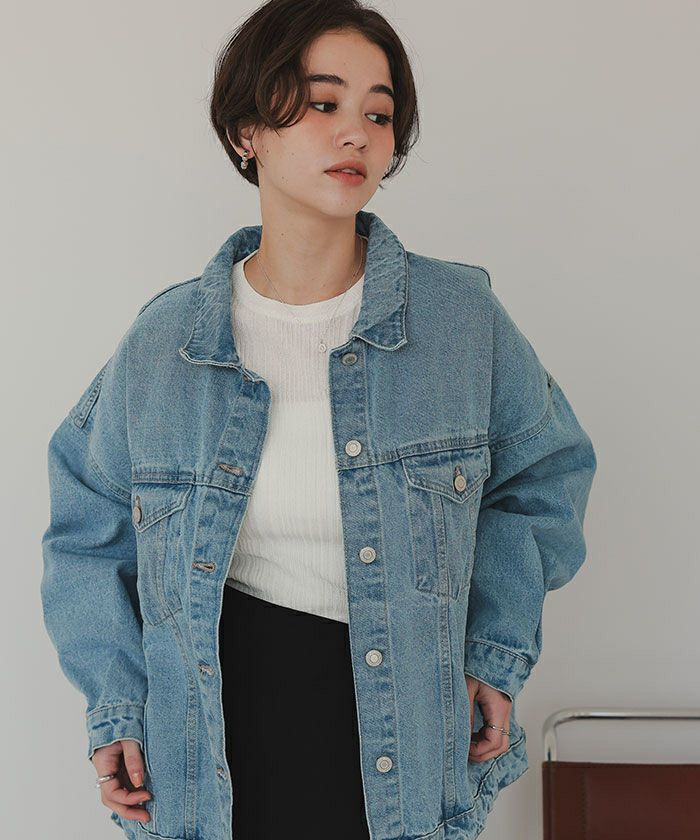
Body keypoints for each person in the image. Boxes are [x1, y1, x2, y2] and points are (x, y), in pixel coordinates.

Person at [40, 1, 597, 838]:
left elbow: (544, 479)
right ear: (247, 132)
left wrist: (493, 650)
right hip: (211, 753)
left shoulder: (460, 322)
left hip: (399, 746)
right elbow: (88, 530)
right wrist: (115, 705)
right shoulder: (166, 343)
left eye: (379, 114)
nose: (356, 135)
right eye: (323, 103)